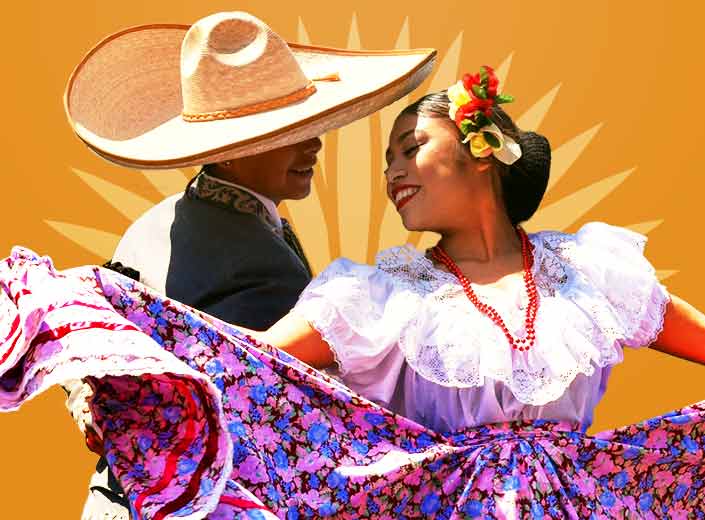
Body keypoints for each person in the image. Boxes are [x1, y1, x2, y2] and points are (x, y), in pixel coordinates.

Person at [3, 65, 705, 518]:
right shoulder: (376, 297)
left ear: (480, 154)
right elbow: (245, 365)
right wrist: (95, 327)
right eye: (386, 157)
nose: (392, 170)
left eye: (410, 148)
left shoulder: (592, 273)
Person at [55, 10, 436, 519]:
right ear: (230, 152)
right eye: (290, 131)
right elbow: (273, 417)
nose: (314, 143)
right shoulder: (254, 262)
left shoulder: (156, 222)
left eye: (312, 126)